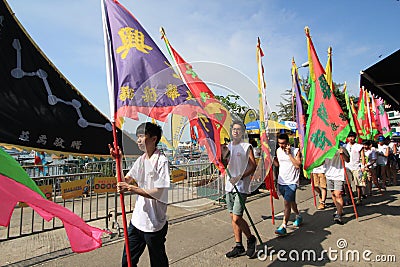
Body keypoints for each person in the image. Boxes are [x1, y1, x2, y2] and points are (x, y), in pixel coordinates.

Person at [109, 122, 170, 267]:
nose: (138, 140)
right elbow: (125, 181)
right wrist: (118, 160)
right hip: (137, 222)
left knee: (158, 263)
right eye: (137, 137)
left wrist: (130, 188)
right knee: (127, 262)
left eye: (141, 136)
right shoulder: (140, 160)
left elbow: (158, 192)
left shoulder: (162, 161)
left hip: (154, 225)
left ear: (153, 139)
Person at [223, 121, 257, 258]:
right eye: (234, 129)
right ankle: (239, 245)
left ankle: (251, 238)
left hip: (241, 186)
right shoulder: (228, 146)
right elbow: (222, 161)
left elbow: (253, 166)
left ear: (243, 132)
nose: (236, 131)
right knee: (233, 217)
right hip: (228, 186)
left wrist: (240, 177)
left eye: (239, 129)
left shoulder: (246, 146)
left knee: (237, 218)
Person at [273, 133, 302, 236]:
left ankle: (283, 226)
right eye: (280, 143)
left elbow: (298, 165)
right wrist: (272, 159)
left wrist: (289, 154)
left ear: (288, 142)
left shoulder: (296, 151)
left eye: (284, 143)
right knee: (291, 202)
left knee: (286, 204)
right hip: (282, 181)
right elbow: (278, 164)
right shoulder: (278, 151)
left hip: (291, 182)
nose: (282, 145)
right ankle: (298, 216)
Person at [324, 143, 350, 225]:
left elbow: (348, 160)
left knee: (338, 194)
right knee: (333, 194)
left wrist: (342, 154)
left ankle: (338, 215)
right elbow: (321, 161)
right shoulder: (324, 148)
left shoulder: (341, 148)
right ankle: (339, 209)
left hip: (339, 174)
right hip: (329, 174)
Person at [344, 132, 365, 205]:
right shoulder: (344, 146)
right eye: (349, 137)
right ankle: (349, 198)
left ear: (355, 137)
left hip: (356, 167)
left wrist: (363, 166)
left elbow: (362, 157)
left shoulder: (359, 146)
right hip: (347, 167)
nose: (351, 138)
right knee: (347, 184)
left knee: (358, 184)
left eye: (352, 137)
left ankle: (359, 199)